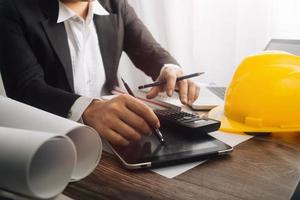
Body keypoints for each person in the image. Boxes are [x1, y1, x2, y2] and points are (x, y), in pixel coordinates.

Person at [0, 0, 200, 146]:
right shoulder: (10, 9)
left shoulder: (115, 5)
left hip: (119, 133)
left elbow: (149, 51)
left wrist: (168, 67)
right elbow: (25, 88)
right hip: (56, 139)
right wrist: (88, 109)